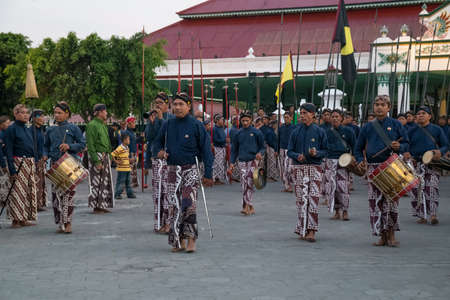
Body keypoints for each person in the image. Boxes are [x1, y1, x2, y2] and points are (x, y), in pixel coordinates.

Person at [153, 92, 213, 253]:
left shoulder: (196, 125)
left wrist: (208, 174)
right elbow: (156, 143)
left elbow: (206, 150)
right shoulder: (168, 124)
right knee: (174, 205)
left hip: (191, 169)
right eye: (175, 104)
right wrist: (159, 152)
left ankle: (191, 240)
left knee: (189, 204)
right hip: (172, 170)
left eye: (181, 104)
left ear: (188, 106)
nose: (178, 107)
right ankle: (177, 241)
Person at [354, 95, 409, 247]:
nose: (379, 107)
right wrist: (360, 161)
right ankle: (381, 235)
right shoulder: (367, 127)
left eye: (382, 104)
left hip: (391, 167)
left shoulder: (396, 124)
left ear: (388, 107)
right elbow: (358, 148)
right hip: (373, 169)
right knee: (375, 202)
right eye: (376, 104)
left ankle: (391, 233)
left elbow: (406, 144)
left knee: (392, 202)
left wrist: (400, 147)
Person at [287, 103, 328, 242]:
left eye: (305, 113)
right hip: (299, 168)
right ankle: (302, 228)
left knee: (313, 199)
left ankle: (311, 230)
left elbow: (325, 151)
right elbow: (289, 151)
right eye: (301, 113)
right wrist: (297, 156)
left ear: (313, 114)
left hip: (315, 168)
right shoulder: (295, 132)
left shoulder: (319, 131)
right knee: (301, 200)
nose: (302, 115)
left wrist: (316, 153)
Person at [43, 102, 86, 233]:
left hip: (69, 164)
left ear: (67, 113)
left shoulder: (73, 128)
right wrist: (44, 155)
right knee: (56, 196)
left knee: (68, 195)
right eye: (55, 113)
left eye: (59, 113)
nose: (57, 115)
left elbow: (82, 144)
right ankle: (60, 223)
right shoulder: (50, 129)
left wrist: (69, 146)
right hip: (55, 165)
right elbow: (45, 146)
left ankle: (68, 223)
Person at [405, 106, 448, 225]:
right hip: (415, 163)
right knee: (416, 190)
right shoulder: (411, 130)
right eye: (418, 113)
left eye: (423, 113)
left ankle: (433, 214)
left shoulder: (437, 129)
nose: (420, 115)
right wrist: (406, 152)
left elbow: (445, 145)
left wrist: (439, 152)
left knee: (432, 188)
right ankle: (422, 215)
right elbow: (405, 145)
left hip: (432, 163)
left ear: (429, 116)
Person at [4, 104, 38, 228]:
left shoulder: (28, 128)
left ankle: (24, 218)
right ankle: (15, 219)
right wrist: (12, 170)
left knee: (29, 191)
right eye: (22, 112)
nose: (25, 115)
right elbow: (8, 150)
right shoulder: (11, 129)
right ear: (16, 114)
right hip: (18, 162)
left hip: (30, 162)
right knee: (17, 192)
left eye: (27, 113)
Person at [229, 112, 265, 216]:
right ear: (240, 121)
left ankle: (246, 206)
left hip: (253, 160)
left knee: (249, 181)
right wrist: (231, 163)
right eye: (243, 120)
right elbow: (234, 150)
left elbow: (262, 147)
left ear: (251, 121)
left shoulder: (257, 132)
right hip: (241, 161)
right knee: (244, 183)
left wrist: (260, 153)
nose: (245, 122)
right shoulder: (238, 133)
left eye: (247, 120)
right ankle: (249, 206)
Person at [324, 109, 356, 220]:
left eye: (337, 116)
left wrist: (355, 158)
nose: (334, 118)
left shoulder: (348, 131)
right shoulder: (326, 132)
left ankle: (345, 211)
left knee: (343, 188)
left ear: (341, 118)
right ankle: (337, 211)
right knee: (332, 188)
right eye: (333, 116)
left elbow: (354, 146)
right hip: (329, 161)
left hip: (343, 161)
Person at [149, 92, 174, 233]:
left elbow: (166, 134)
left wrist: (160, 119)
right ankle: (159, 223)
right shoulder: (152, 118)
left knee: (167, 192)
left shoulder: (171, 118)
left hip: (168, 159)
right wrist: (153, 122)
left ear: (166, 104)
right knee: (157, 193)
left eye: (160, 102)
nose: (158, 105)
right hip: (156, 160)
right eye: (156, 102)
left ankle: (168, 223)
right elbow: (151, 137)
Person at [86, 103, 114, 214]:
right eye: (105, 111)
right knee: (96, 182)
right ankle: (95, 206)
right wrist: (96, 160)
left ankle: (102, 205)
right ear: (100, 112)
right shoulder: (92, 125)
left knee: (105, 182)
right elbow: (91, 145)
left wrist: (110, 156)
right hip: (96, 156)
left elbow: (107, 142)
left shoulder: (103, 125)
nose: (106, 113)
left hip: (105, 156)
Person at [111, 132, 137, 200]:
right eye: (128, 139)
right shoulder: (120, 148)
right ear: (124, 140)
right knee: (121, 182)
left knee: (128, 182)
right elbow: (112, 154)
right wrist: (116, 161)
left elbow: (126, 158)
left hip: (127, 168)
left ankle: (129, 193)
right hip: (121, 169)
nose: (129, 141)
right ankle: (117, 194)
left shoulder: (127, 148)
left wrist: (130, 160)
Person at [31, 109, 47, 212]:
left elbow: (44, 145)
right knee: (35, 182)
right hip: (34, 159)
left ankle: (40, 202)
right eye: (40, 116)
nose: (43, 118)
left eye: (43, 116)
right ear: (34, 118)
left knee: (41, 182)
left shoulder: (41, 130)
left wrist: (45, 155)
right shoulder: (31, 130)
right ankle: (35, 203)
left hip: (42, 159)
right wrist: (36, 159)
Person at [279, 112, 295, 192]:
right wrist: (276, 149)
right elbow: (278, 139)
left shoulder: (294, 128)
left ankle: (291, 184)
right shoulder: (281, 127)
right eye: (285, 117)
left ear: (291, 118)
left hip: (290, 150)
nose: (286, 119)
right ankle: (286, 186)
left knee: (289, 168)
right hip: (282, 149)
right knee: (282, 168)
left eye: (287, 117)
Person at [260, 115, 278, 181]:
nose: (264, 120)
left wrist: (275, 149)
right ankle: (262, 175)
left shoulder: (271, 129)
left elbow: (275, 139)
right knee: (262, 161)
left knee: (272, 161)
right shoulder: (261, 129)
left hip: (271, 146)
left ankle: (271, 176)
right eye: (263, 119)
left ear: (268, 120)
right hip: (263, 146)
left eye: (265, 119)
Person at [212, 114, 227, 184]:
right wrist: (224, 140)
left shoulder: (222, 128)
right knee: (217, 164)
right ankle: (215, 178)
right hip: (217, 148)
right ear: (217, 121)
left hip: (222, 148)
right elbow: (215, 139)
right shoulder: (214, 129)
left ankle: (219, 178)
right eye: (221, 120)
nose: (223, 121)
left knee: (221, 164)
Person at [0, 115, 11, 206]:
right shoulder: (1, 134)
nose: (9, 125)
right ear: (1, 124)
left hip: (5, 158)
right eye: (7, 123)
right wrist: (3, 165)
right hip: (2, 159)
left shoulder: (5, 133)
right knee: (3, 180)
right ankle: (3, 199)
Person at [125, 116, 139, 188]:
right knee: (129, 171)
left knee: (133, 171)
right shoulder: (127, 133)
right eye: (133, 122)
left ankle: (130, 186)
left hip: (133, 153)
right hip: (129, 154)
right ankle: (125, 187)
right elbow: (126, 145)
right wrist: (129, 156)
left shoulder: (132, 132)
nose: (134, 124)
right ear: (129, 124)